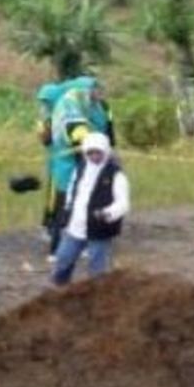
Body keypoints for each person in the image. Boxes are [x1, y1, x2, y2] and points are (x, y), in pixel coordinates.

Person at [42, 77, 115, 257]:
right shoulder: (69, 106)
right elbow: (77, 134)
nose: (96, 94)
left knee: (81, 204)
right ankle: (58, 249)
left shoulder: (91, 106)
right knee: (65, 205)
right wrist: (96, 146)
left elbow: (104, 128)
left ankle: (78, 245)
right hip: (68, 164)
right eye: (93, 90)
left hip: (81, 161)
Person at [51, 132, 130, 285]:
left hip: (99, 228)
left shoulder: (116, 175)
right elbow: (71, 191)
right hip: (75, 226)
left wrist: (107, 213)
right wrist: (67, 211)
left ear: (105, 151)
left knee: (97, 268)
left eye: (98, 152)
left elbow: (123, 203)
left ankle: (98, 299)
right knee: (63, 260)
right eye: (90, 153)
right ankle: (59, 291)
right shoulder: (80, 170)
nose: (94, 156)